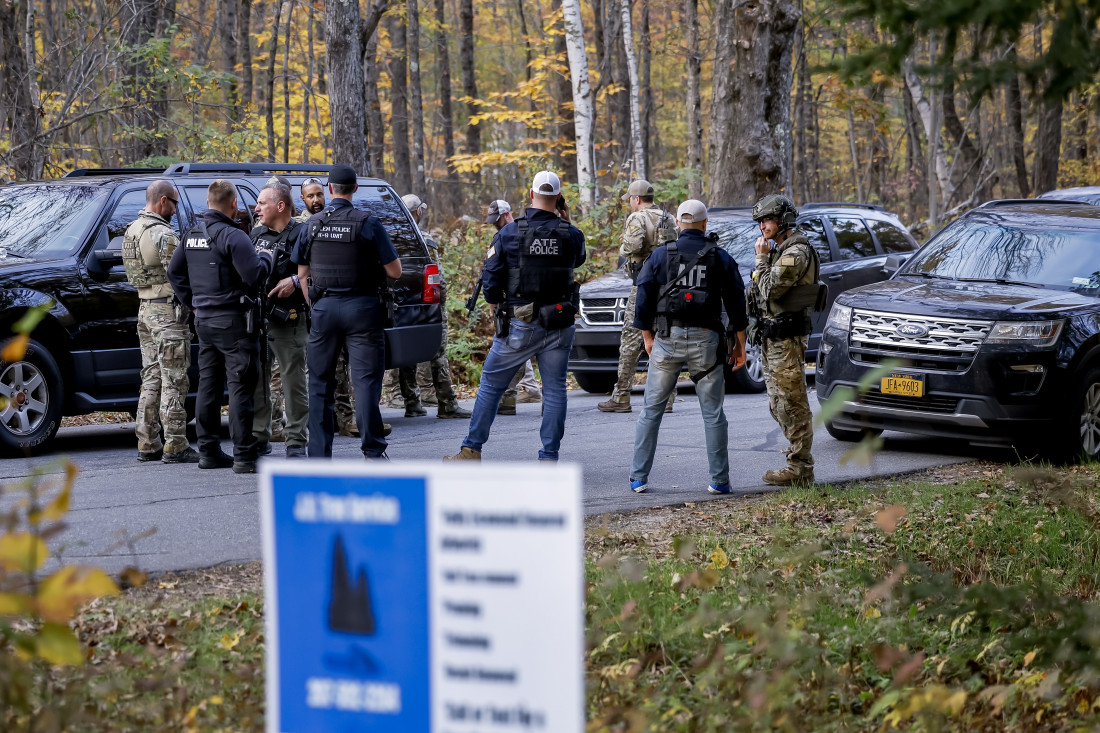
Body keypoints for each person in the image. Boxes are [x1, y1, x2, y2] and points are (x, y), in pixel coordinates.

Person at [445, 171, 586, 461]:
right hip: (559, 321)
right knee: (556, 390)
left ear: (531, 194)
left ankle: (471, 450)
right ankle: (549, 457)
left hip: (521, 323)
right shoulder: (571, 234)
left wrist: (496, 305)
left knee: (491, 385)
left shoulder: (509, 233)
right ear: (559, 198)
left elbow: (491, 278)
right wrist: (565, 218)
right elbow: (579, 258)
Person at [628, 199, 747, 495]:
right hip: (707, 342)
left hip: (667, 340)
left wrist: (647, 337)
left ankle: (638, 478)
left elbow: (643, 296)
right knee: (713, 413)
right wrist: (739, 346)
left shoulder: (659, 256)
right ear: (705, 224)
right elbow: (737, 304)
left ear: (679, 224)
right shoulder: (720, 257)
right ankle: (719, 480)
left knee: (651, 411)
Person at [293, 163, 402, 459]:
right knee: (365, 382)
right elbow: (395, 271)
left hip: (324, 310)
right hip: (363, 310)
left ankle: (318, 456)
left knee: (319, 383)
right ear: (355, 189)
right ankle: (374, 453)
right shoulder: (367, 223)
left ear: (329, 190)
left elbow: (302, 273)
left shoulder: (311, 225)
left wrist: (314, 305)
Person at [167, 179, 274, 473]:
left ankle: (209, 452)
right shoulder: (233, 236)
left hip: (204, 322)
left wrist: (193, 302)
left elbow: (173, 272)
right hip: (234, 323)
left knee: (209, 388)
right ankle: (244, 456)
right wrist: (265, 257)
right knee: (240, 387)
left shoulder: (191, 235)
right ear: (234, 204)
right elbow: (254, 277)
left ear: (207, 203)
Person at [122, 180, 199, 464]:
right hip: (167, 314)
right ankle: (176, 444)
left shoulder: (131, 230)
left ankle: (147, 441)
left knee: (151, 376)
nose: (176, 209)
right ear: (163, 201)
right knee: (175, 379)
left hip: (145, 310)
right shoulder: (163, 234)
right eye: (175, 203)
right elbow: (181, 275)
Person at [748, 194, 820, 487]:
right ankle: (795, 461)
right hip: (774, 336)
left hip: (787, 338)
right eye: (761, 221)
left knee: (792, 402)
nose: (763, 226)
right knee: (778, 403)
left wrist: (761, 259)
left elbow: (769, 291)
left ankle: (801, 468)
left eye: (767, 220)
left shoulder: (795, 253)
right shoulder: (782, 250)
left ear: (783, 220)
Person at [380, 194, 470, 420]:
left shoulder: (390, 238)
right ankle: (447, 403)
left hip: (398, 300)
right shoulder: (424, 240)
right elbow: (434, 276)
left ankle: (413, 402)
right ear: (417, 213)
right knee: (438, 351)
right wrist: (440, 302)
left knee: (407, 351)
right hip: (426, 302)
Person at [600, 179, 679, 414]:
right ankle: (668, 398)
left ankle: (621, 396)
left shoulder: (637, 218)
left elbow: (632, 247)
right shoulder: (669, 218)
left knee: (630, 341)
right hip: (666, 286)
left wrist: (623, 245)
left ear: (636, 199)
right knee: (665, 339)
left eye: (630, 200)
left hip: (643, 285)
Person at [296, 176, 363, 438]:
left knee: (343, 365)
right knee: (322, 369)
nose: (315, 200)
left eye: (318, 195)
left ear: (326, 193)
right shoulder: (304, 225)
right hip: (314, 305)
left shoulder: (335, 220)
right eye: (310, 196)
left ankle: (347, 419)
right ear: (302, 199)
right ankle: (324, 420)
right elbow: (299, 268)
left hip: (335, 303)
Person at [250, 181, 308, 459]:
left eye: (262, 203)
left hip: (289, 318)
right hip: (259, 317)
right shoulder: (256, 234)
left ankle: (296, 440)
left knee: (292, 380)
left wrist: (297, 281)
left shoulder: (302, 233)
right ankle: (260, 436)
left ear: (280, 206)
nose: (257, 208)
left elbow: (322, 269)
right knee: (259, 380)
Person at [484, 198, 542, 416]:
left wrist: (493, 303)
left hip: (517, 304)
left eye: (497, 220)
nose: (495, 225)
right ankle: (528, 389)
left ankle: (508, 396)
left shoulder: (513, 235)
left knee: (512, 348)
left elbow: (493, 274)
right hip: (519, 303)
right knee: (519, 346)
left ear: (508, 214)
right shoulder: (511, 234)